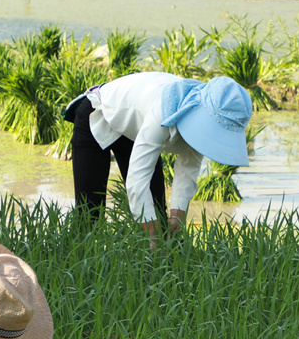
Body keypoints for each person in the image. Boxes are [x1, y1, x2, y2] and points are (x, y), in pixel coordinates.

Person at [66, 72, 253, 243]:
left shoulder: (204, 115)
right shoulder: (165, 110)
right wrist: (153, 239)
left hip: (135, 128)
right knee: (89, 216)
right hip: (98, 114)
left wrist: (177, 216)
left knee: (158, 215)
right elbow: (136, 182)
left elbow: (189, 167)